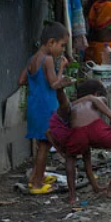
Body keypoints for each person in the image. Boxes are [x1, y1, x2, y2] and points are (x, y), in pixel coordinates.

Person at [48, 79, 111, 203]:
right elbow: (96, 103)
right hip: (94, 127)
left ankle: (72, 197)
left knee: (71, 158)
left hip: (77, 132)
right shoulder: (96, 98)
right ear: (97, 93)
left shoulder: (73, 105)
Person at [20, 21, 72, 194]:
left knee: (41, 145)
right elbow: (54, 85)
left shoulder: (32, 59)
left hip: (35, 106)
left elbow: (21, 81)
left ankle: (35, 177)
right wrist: (62, 71)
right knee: (44, 146)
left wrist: (37, 84)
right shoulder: (48, 59)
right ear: (51, 43)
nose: (62, 50)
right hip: (46, 107)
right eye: (62, 46)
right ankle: (37, 184)